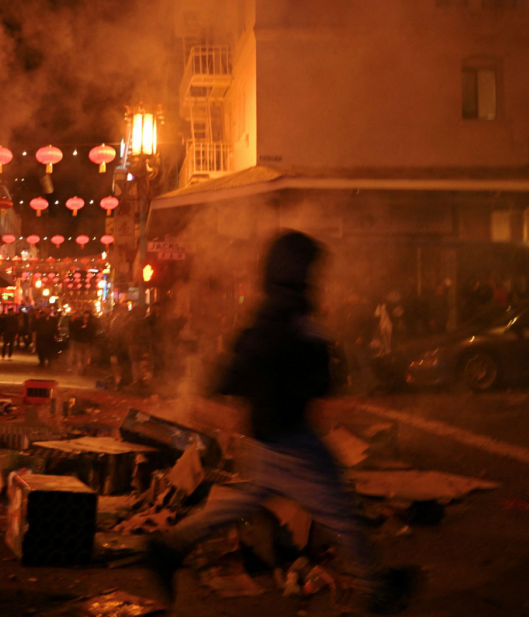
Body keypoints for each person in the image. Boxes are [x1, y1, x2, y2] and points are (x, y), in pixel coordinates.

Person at [145, 231, 415, 615]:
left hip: (269, 435)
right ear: (300, 270)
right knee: (339, 508)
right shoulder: (295, 317)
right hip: (292, 438)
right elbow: (320, 381)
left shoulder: (267, 314)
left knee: (249, 498)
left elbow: (234, 375)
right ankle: (378, 588)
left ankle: (169, 547)